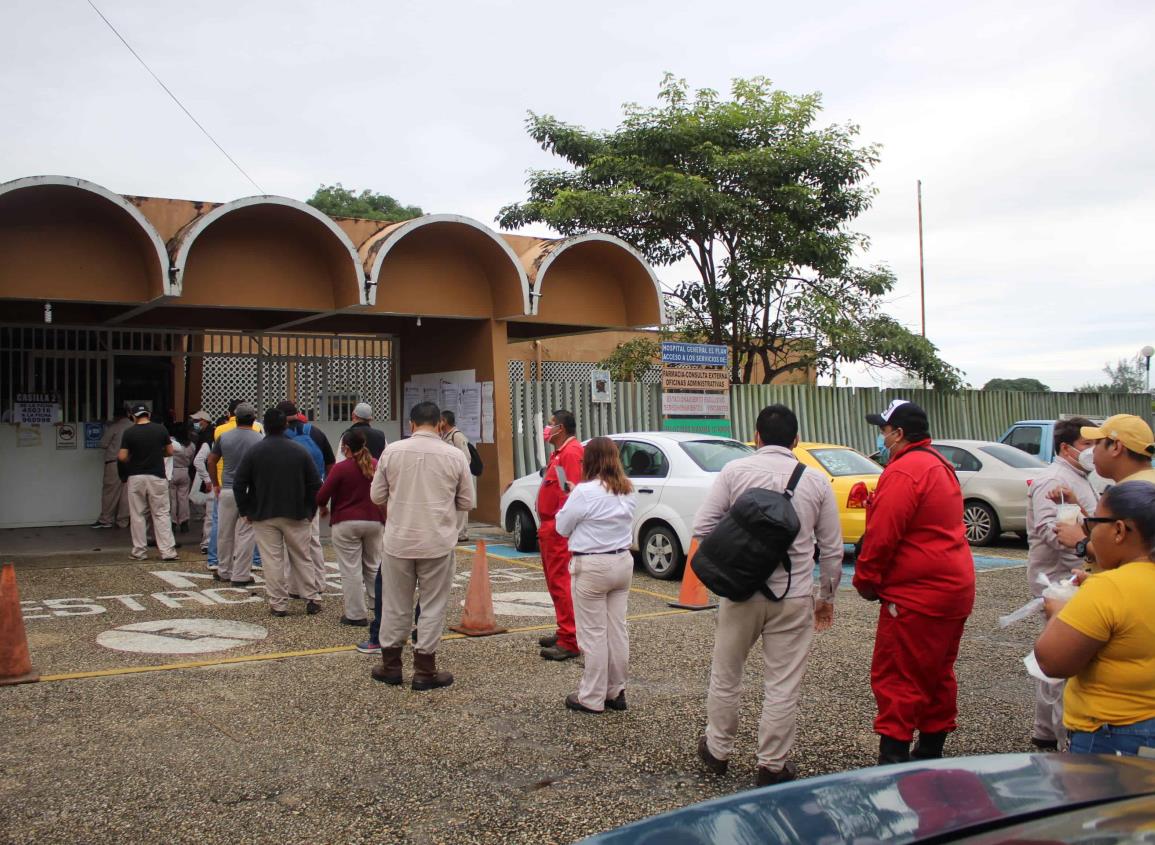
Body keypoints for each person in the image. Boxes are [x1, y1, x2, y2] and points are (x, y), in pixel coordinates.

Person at [693, 404, 843, 787]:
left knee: (726, 674)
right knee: (782, 683)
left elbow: (703, 526)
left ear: (755, 436)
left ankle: (718, 750)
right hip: (793, 597)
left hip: (740, 592)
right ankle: (771, 764)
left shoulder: (734, 471)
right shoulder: (816, 481)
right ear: (796, 440)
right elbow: (831, 549)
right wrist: (825, 596)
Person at [855, 399, 975, 765]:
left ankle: (893, 761)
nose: (881, 436)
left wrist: (866, 580)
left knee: (898, 676)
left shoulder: (905, 471)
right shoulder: (940, 465)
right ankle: (930, 752)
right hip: (953, 588)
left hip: (916, 594)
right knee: (937, 673)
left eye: (884, 430)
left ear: (899, 433)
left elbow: (882, 535)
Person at [1034, 482, 1155, 756]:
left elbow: (1052, 660)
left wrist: (1058, 612)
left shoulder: (1109, 588)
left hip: (1112, 735)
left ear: (1119, 531)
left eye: (1091, 524)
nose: (1088, 533)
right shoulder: (1113, 585)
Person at [369, 401, 473, 690]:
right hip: (437, 542)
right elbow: (466, 502)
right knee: (432, 605)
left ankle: (391, 666)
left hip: (398, 541)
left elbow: (377, 496)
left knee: (394, 604)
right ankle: (425, 671)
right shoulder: (454, 455)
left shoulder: (392, 451)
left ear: (411, 424)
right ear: (440, 424)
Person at [1025, 417, 1097, 750]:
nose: (1092, 452)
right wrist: (1088, 560)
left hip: (1078, 579)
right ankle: (1057, 738)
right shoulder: (1052, 480)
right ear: (1066, 447)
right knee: (1059, 660)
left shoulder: (1080, 478)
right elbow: (1050, 532)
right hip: (1060, 584)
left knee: (1063, 662)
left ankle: (1047, 731)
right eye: (1087, 445)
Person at [554, 437, 637, 714]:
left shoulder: (584, 492)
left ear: (589, 461)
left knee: (593, 635)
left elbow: (562, 527)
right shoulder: (627, 489)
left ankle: (591, 697)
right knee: (617, 630)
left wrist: (572, 497)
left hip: (592, 566)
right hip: (622, 562)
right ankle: (616, 690)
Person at [233, 407, 322, 617]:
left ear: (265, 425)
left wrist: (245, 509)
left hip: (264, 514)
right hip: (297, 512)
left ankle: (278, 603)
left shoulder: (254, 452)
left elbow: (239, 483)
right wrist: (311, 509)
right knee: (302, 556)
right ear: (285, 425)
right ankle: (312, 597)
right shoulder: (299, 451)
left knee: (272, 560)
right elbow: (314, 484)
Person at [1052, 414, 1155, 550]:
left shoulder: (1130, 495)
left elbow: (1127, 555)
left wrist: (1080, 543)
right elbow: (1104, 532)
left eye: (1098, 443)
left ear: (1116, 447)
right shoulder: (1143, 483)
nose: (1093, 450)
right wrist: (1075, 505)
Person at [316, 429, 384, 626]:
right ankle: (380, 606)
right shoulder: (375, 465)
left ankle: (355, 614)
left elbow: (322, 496)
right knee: (373, 566)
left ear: (345, 447)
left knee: (351, 569)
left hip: (346, 522)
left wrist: (322, 507)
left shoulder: (341, 468)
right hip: (374, 520)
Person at [536, 409, 585, 661]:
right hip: (551, 528)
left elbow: (573, 495)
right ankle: (563, 629)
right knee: (555, 583)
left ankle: (569, 638)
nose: (547, 428)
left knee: (561, 582)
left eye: (551, 424)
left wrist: (560, 527)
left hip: (558, 530)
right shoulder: (559, 454)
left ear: (561, 428)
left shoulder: (571, 453)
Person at [277, 400, 335, 598]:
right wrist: (325, 491)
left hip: (286, 493)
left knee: (288, 542)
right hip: (313, 490)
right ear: (298, 413)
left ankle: (291, 585)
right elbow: (330, 463)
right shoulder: (315, 432)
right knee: (313, 539)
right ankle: (319, 581)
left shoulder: (278, 435)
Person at [208, 404, 263, 587]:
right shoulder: (259, 438)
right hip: (249, 490)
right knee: (247, 532)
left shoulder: (224, 436)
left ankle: (224, 570)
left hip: (227, 489)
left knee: (225, 531)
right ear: (253, 418)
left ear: (234, 417)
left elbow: (211, 460)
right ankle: (241, 573)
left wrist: (215, 482)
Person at [118, 404, 178, 562]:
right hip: (157, 476)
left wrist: (133, 457)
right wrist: (158, 453)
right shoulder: (160, 430)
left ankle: (139, 551)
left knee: (138, 515)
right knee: (161, 513)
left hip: (136, 477)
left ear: (133, 416)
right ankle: (168, 551)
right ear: (148, 414)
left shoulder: (129, 432)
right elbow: (170, 451)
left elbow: (122, 456)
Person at [91, 406, 132, 529]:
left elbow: (103, 443)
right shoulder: (134, 426)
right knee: (126, 493)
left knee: (110, 492)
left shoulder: (115, 427)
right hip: (131, 463)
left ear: (116, 416)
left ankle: (106, 519)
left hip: (114, 462)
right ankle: (123, 520)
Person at [439, 409, 474, 543]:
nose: (438, 423)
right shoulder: (445, 435)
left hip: (457, 476)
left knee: (460, 507)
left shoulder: (457, 436)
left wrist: (458, 473)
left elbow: (466, 457)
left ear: (445, 421)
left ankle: (461, 533)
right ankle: (454, 531)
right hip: (447, 477)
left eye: (440, 420)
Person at [168, 423, 196, 535]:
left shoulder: (171, 443)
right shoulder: (191, 445)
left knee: (172, 499)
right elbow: (192, 460)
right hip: (184, 471)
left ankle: (173, 522)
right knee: (183, 498)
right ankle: (184, 522)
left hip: (172, 471)